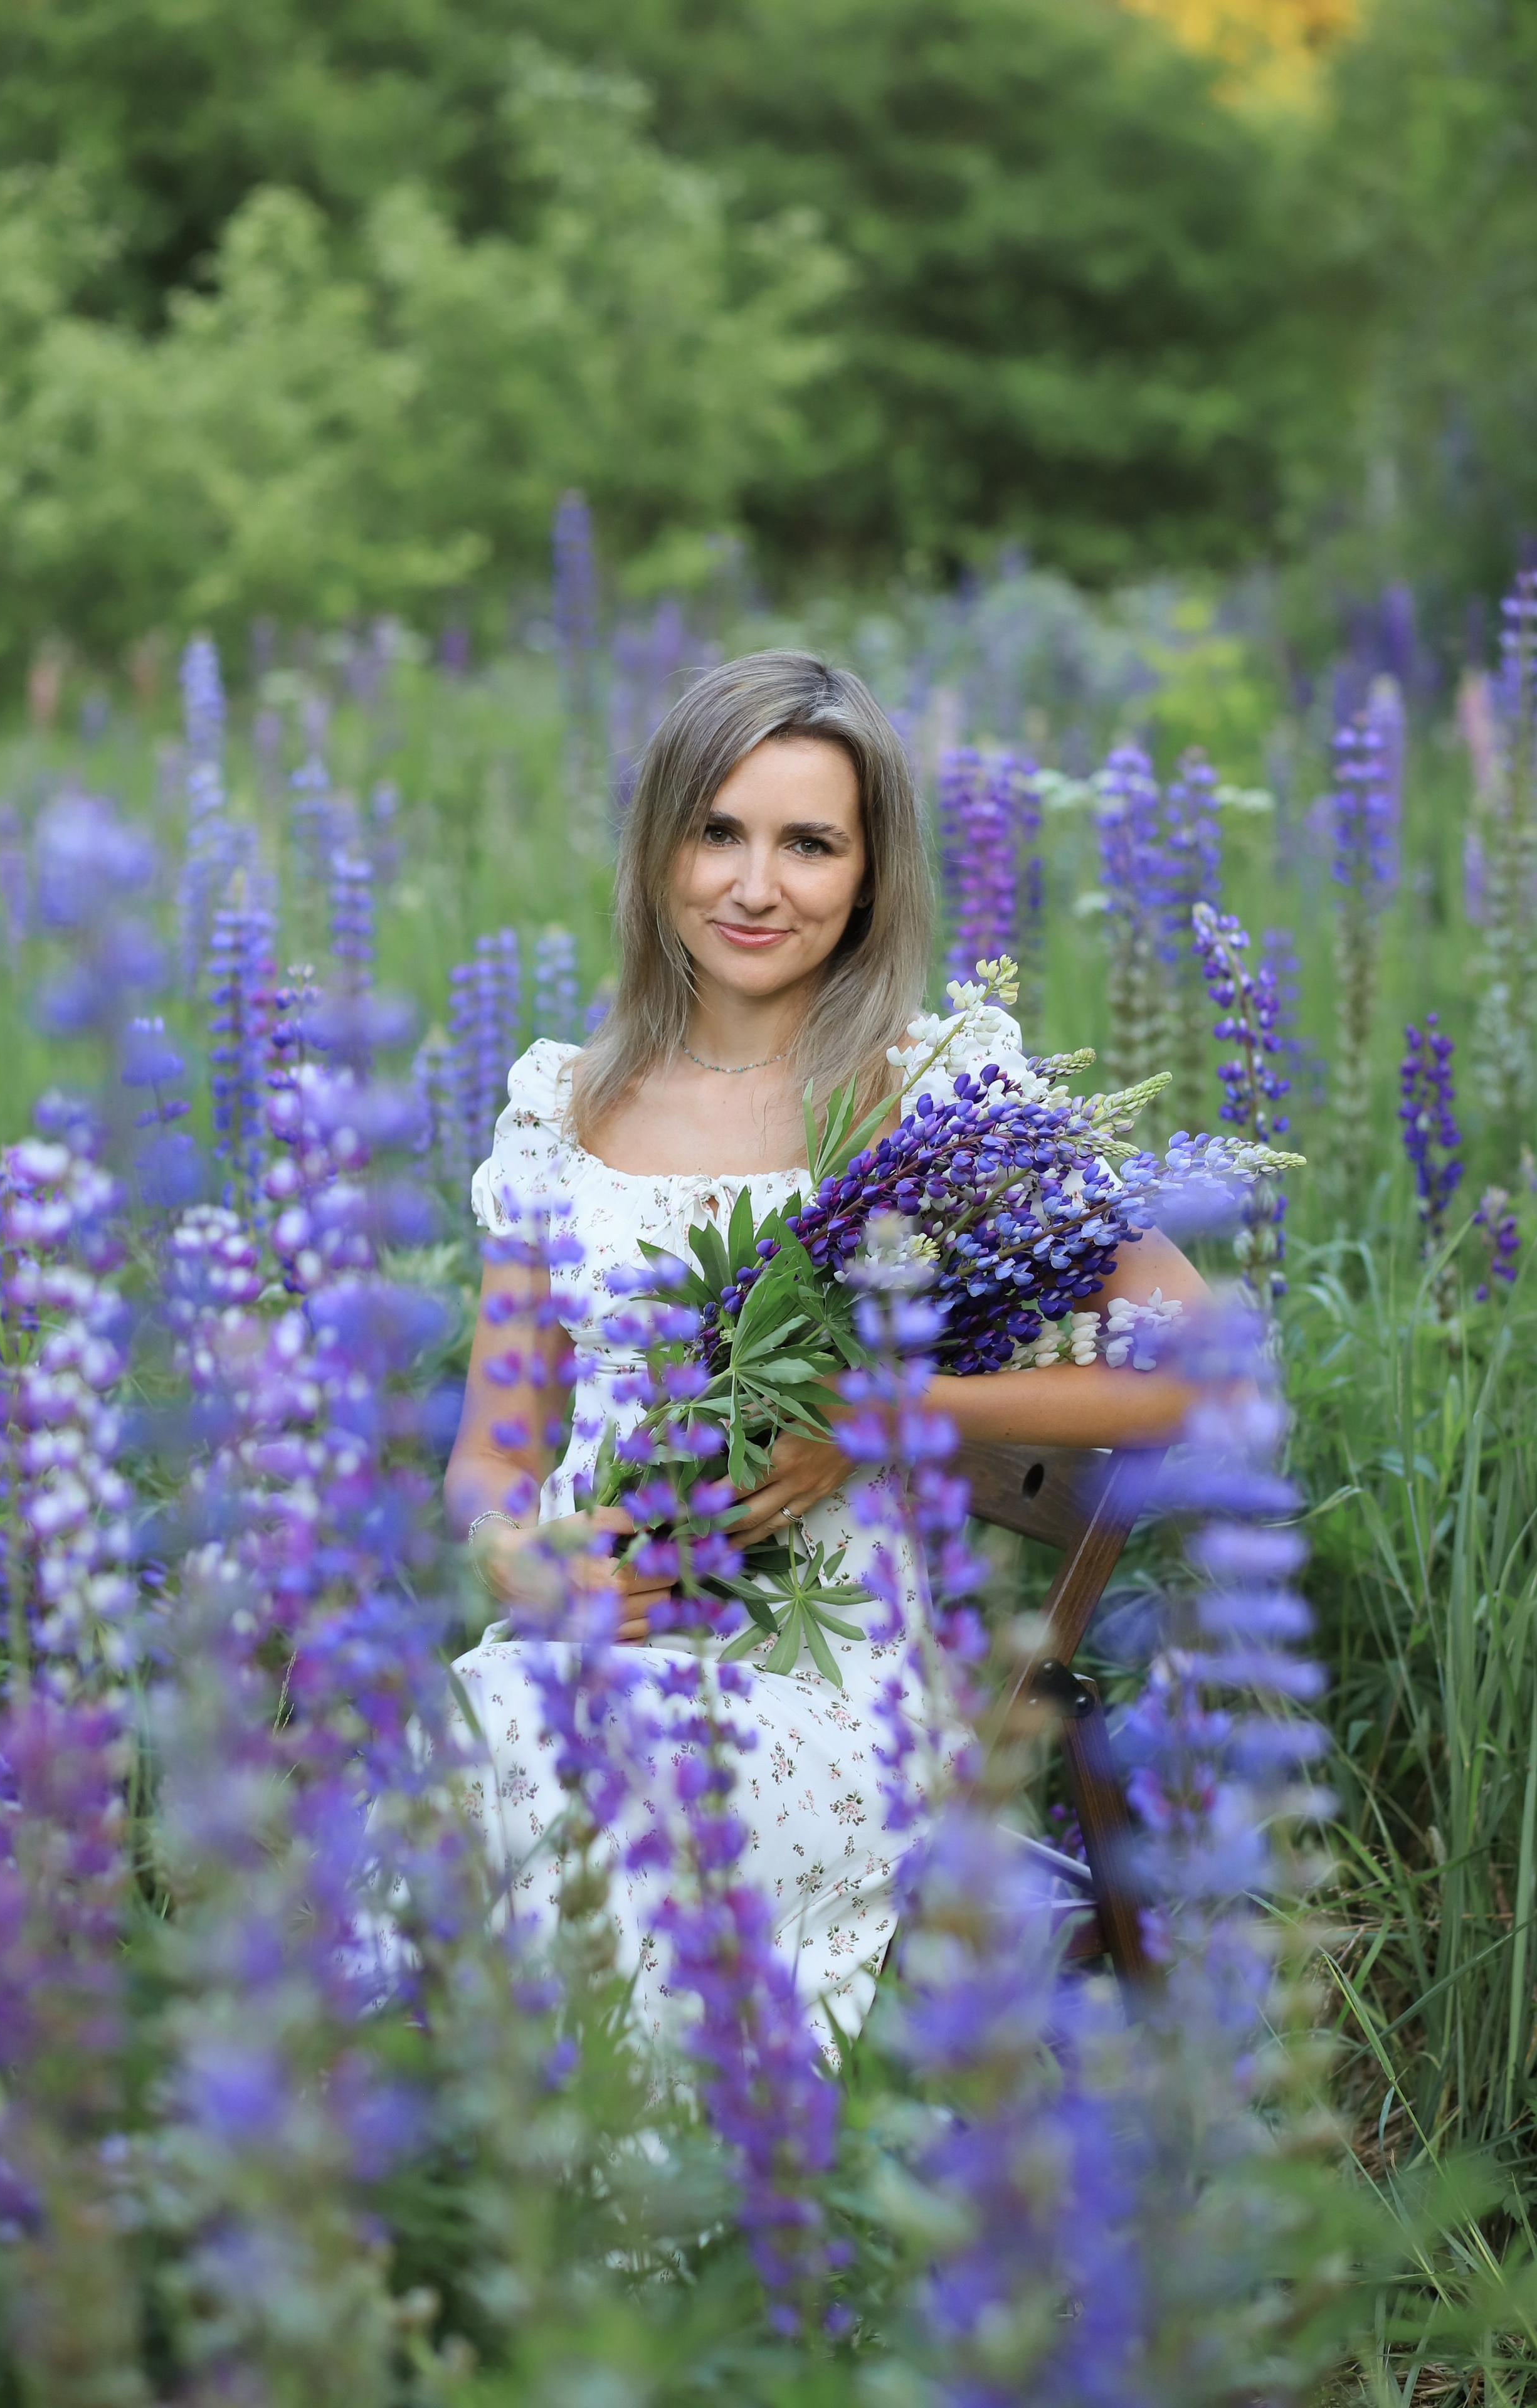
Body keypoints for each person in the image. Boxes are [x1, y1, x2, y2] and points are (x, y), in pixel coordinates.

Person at [444, 650, 1210, 2044]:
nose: (755, 885)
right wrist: (511, 1555)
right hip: (578, 1646)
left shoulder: (935, 1098)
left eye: (808, 844)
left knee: (583, 1791)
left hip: (825, 1684)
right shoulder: (560, 1106)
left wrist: (884, 1410)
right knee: (444, 1767)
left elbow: (1193, 1361)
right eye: (716, 832)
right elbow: (496, 1448)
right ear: (658, 849)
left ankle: (639, 2178)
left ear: (868, 876)